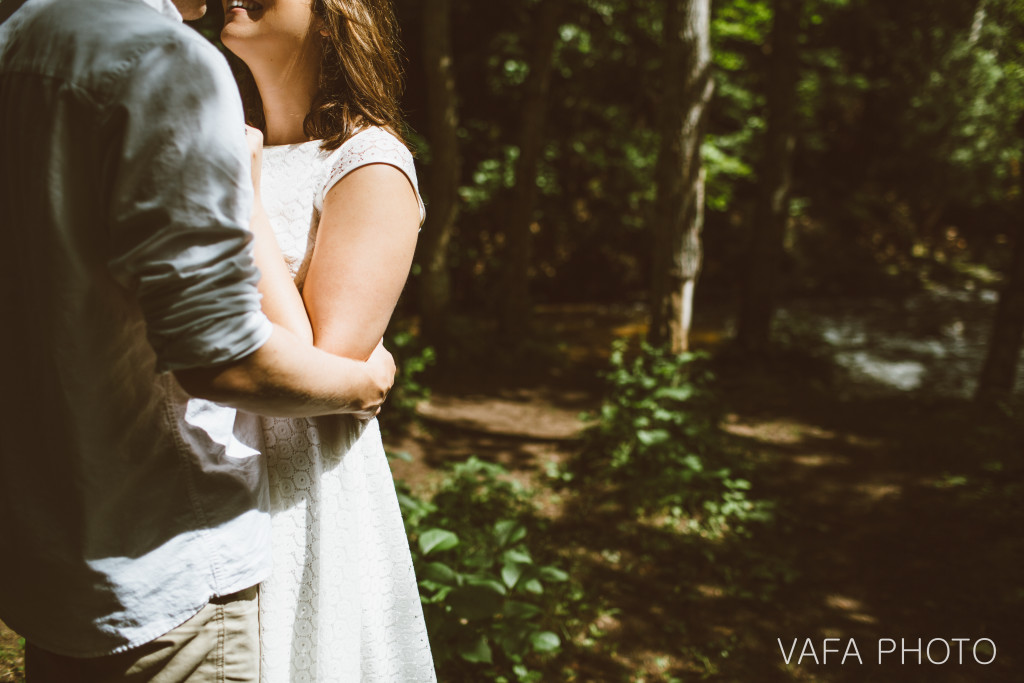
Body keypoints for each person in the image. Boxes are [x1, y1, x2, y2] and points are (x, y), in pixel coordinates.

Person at [0, 0, 399, 680]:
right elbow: (261, 361)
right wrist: (368, 382)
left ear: (332, 18)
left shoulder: (370, 159)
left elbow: (320, 357)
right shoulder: (179, 84)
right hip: (182, 532)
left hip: (261, 503)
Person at [220, 0, 437, 680]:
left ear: (329, 14)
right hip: (199, 477)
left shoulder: (369, 161)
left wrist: (238, 193)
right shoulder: (231, 139)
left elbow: (323, 377)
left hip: (297, 494)